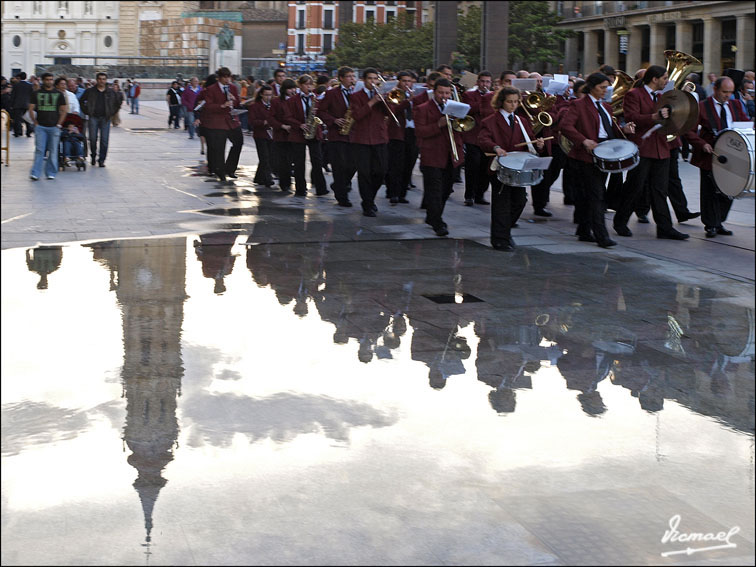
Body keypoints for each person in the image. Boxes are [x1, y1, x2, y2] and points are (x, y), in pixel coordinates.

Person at [560, 73, 636, 248]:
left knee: (592, 195)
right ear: (592, 86)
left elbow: (609, 131)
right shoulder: (578, 105)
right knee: (597, 196)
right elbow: (566, 126)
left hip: (604, 154)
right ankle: (602, 236)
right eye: (602, 87)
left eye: (607, 87)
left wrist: (624, 130)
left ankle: (584, 230)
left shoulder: (607, 107)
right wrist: (583, 140)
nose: (605, 91)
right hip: (585, 156)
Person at [614, 65, 689, 240]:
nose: (667, 81)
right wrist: (654, 117)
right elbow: (631, 117)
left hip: (661, 149)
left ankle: (665, 228)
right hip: (643, 148)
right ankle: (620, 222)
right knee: (635, 187)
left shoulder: (663, 97)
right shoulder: (634, 94)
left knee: (659, 190)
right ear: (654, 79)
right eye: (664, 78)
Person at [478, 85, 546, 250]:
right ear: (501, 102)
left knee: (520, 201)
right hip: (500, 167)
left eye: (516, 102)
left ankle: (504, 232)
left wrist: (539, 144)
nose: (513, 105)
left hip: (518, 168)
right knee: (501, 204)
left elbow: (529, 140)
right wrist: (495, 147)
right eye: (509, 102)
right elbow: (483, 139)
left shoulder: (521, 121)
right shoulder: (490, 120)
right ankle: (500, 239)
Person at [684, 77, 749, 238]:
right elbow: (688, 130)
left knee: (729, 189)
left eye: (731, 92)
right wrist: (702, 144)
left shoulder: (736, 105)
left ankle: (719, 222)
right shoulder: (702, 107)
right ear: (715, 89)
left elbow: (744, 124)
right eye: (724, 92)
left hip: (732, 155)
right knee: (709, 191)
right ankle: (710, 224)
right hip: (710, 155)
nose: (728, 95)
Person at [414, 78, 464, 236]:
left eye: (447, 93)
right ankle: (438, 222)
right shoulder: (422, 108)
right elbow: (420, 132)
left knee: (446, 189)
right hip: (432, 155)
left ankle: (432, 216)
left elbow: (462, 129)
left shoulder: (455, 107)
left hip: (451, 154)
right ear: (434, 92)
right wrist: (438, 124)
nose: (444, 96)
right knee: (435, 190)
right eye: (441, 92)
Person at [349, 67, 391, 217]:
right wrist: (372, 102)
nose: (373, 82)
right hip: (362, 139)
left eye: (375, 79)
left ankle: (370, 198)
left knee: (381, 171)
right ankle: (367, 204)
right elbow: (357, 115)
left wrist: (386, 100)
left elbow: (390, 113)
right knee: (364, 173)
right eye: (370, 79)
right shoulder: (356, 96)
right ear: (364, 80)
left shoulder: (382, 95)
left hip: (379, 138)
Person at [318, 66, 357, 206]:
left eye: (353, 76)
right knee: (339, 166)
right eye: (349, 76)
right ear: (341, 78)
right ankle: (342, 197)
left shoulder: (357, 92)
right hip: (337, 134)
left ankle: (340, 184)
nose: (352, 79)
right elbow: (321, 111)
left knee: (354, 164)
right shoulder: (331, 93)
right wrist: (333, 120)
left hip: (354, 134)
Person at [283, 74, 328, 196]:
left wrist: (317, 113)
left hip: (314, 132)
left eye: (311, 84)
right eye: (306, 84)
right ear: (300, 85)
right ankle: (300, 189)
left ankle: (321, 188)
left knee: (317, 161)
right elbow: (287, 117)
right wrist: (300, 125)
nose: (309, 87)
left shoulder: (317, 99)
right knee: (299, 163)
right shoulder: (292, 100)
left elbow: (324, 113)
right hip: (298, 133)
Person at [201, 67, 243, 182]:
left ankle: (230, 168)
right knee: (220, 148)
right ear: (219, 78)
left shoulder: (233, 88)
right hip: (218, 122)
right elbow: (208, 106)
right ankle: (220, 171)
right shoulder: (211, 89)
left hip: (232, 121)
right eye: (224, 77)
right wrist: (222, 106)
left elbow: (237, 103)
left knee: (238, 142)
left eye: (228, 77)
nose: (227, 79)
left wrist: (235, 100)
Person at [461, 70, 494, 206]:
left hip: (487, 136)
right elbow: (469, 109)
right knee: (472, 166)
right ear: (477, 82)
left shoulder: (494, 96)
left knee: (486, 167)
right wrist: (485, 101)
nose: (484, 84)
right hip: (473, 135)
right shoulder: (469, 95)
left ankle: (480, 194)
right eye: (482, 81)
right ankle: (469, 195)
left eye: (487, 82)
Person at [28, 72, 68, 181]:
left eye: (51, 79)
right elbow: (31, 108)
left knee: (53, 151)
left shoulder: (59, 94)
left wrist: (59, 124)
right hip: (41, 126)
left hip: (54, 127)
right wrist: (35, 122)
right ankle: (35, 173)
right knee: (40, 150)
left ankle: (51, 172)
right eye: (47, 79)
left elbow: (64, 110)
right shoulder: (36, 93)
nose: (49, 81)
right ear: (43, 80)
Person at [385, 71, 414, 205]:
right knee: (396, 164)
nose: (407, 83)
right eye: (404, 81)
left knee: (409, 164)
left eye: (409, 81)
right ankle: (393, 193)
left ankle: (402, 193)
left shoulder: (416, 95)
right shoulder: (394, 94)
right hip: (398, 132)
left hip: (413, 131)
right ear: (399, 82)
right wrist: (408, 101)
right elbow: (393, 111)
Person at [80, 72, 118, 167]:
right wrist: (87, 111)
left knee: (104, 140)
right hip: (93, 117)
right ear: (97, 80)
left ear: (106, 80)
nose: (102, 81)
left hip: (105, 118)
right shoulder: (90, 91)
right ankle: (93, 155)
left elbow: (117, 103)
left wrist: (111, 112)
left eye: (104, 79)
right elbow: (81, 101)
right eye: (100, 79)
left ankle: (101, 160)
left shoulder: (110, 92)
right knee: (92, 139)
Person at [268, 78, 297, 192]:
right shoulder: (276, 101)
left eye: (293, 88)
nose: (292, 90)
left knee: (292, 160)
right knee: (283, 161)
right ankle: (284, 183)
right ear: (284, 89)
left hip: (295, 134)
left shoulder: (296, 100)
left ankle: (289, 181)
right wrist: (282, 126)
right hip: (281, 135)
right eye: (289, 88)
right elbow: (271, 118)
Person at [248, 84, 275, 187]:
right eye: (266, 95)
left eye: (270, 95)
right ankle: (268, 178)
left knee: (270, 156)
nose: (268, 97)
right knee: (264, 157)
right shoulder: (255, 106)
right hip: (260, 134)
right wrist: (262, 122)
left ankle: (259, 177)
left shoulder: (273, 105)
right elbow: (251, 121)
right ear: (261, 95)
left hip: (271, 134)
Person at [10, 71, 34, 137]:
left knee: (17, 119)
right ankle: (28, 132)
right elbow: (32, 95)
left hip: (17, 104)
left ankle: (18, 132)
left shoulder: (16, 85)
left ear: (19, 77)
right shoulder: (30, 85)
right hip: (27, 104)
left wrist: (11, 105)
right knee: (27, 119)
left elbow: (13, 96)